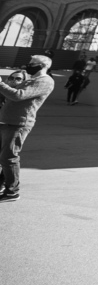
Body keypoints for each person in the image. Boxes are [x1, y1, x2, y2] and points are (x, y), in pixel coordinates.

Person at [0, 54, 56, 202]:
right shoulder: (32, 80)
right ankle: (3, 185)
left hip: (19, 123)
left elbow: (18, 96)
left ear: (42, 66)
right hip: (8, 121)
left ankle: (12, 191)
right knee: (4, 156)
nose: (28, 65)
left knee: (9, 157)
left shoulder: (45, 81)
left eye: (32, 63)